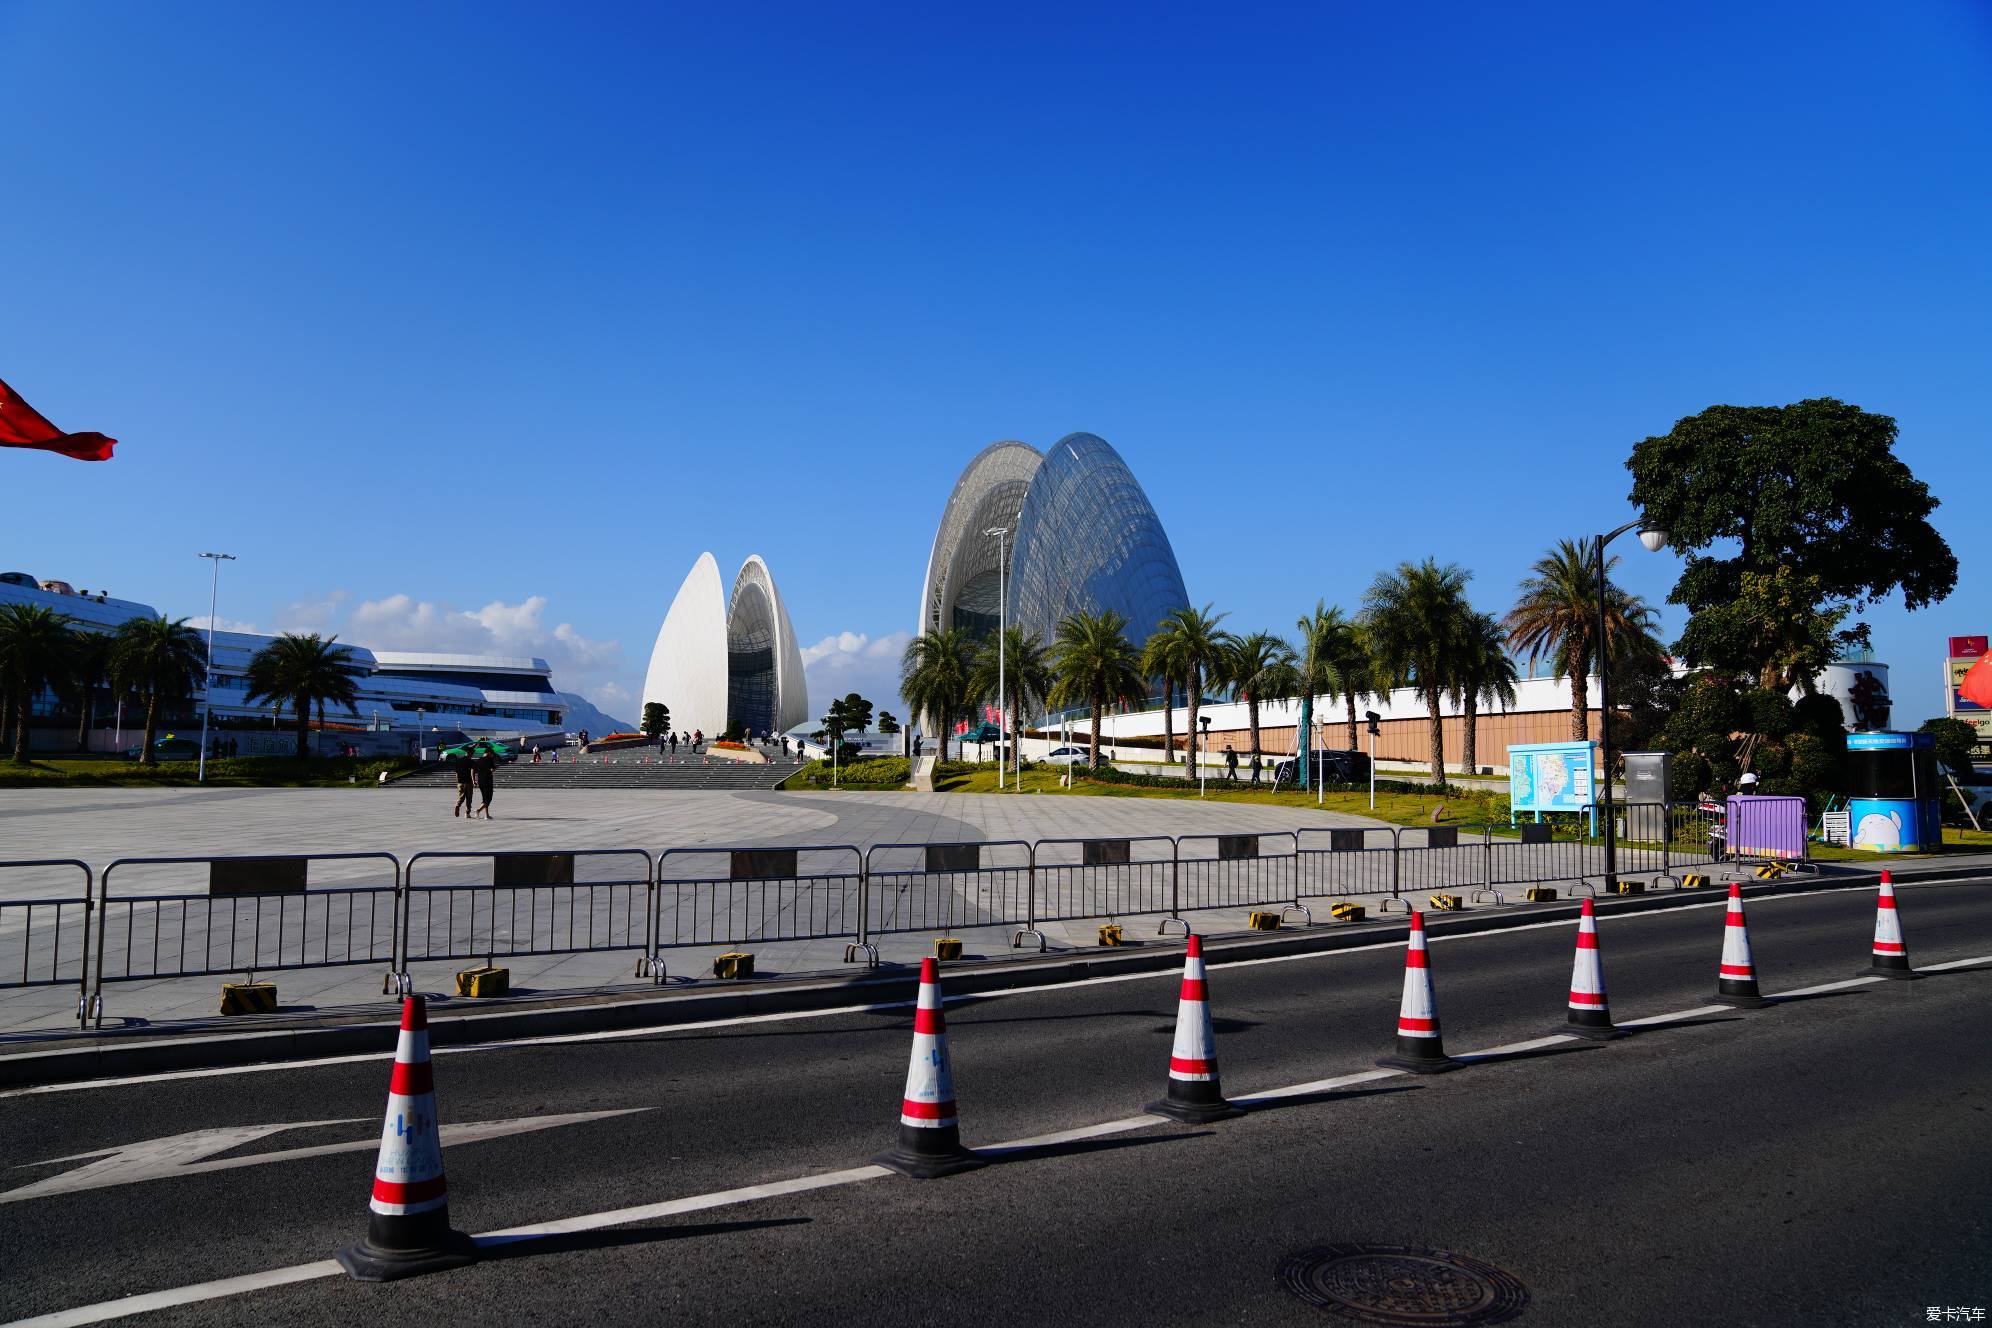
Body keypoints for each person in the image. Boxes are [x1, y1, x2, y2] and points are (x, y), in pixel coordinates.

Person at [449, 748, 474, 819]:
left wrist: (458, 781)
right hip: (468, 782)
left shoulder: (458, 761)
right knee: (469, 798)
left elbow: (456, 773)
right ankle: (467, 813)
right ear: (470, 753)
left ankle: (457, 805)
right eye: (472, 754)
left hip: (460, 782)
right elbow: (473, 771)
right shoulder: (471, 761)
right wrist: (474, 780)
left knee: (461, 796)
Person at [473, 746, 497, 819]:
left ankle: (485, 814)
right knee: (488, 798)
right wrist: (493, 769)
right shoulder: (490, 760)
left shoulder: (478, 760)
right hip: (488, 780)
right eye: (491, 753)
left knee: (485, 798)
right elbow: (493, 769)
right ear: (489, 752)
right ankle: (480, 812)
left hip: (480, 781)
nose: (492, 755)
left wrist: (473, 779)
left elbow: (473, 770)